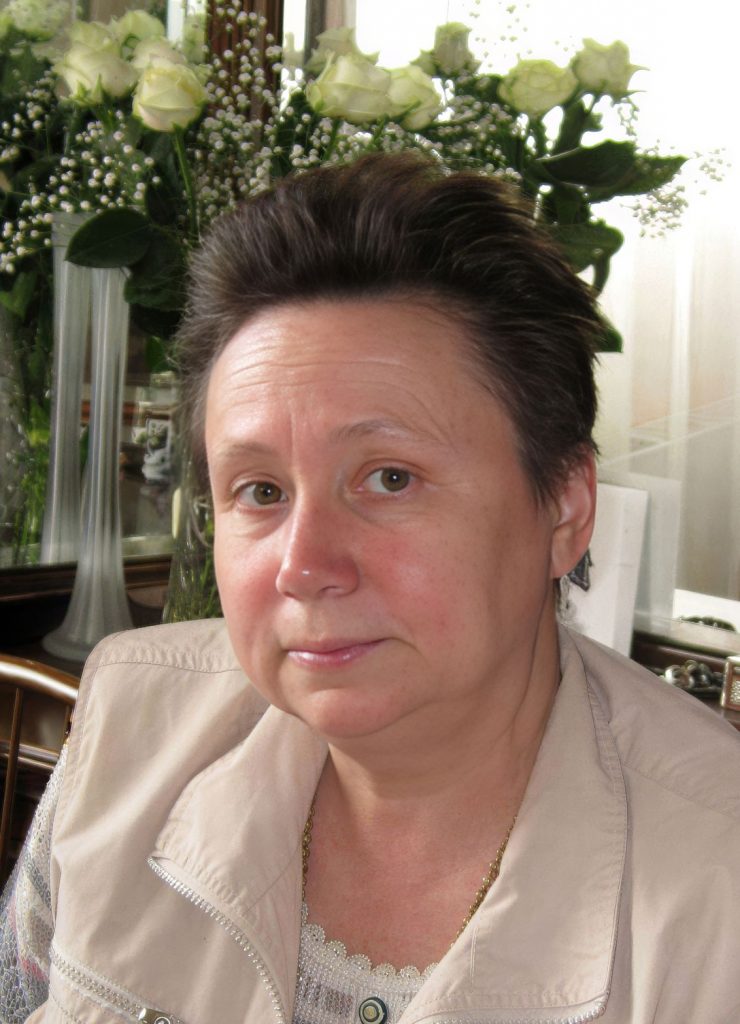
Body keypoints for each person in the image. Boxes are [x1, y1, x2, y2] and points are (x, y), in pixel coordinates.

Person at [2, 152, 740, 1024]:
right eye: (261, 491)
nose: (303, 565)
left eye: (390, 478)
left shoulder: (714, 888)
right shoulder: (128, 735)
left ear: (565, 509)